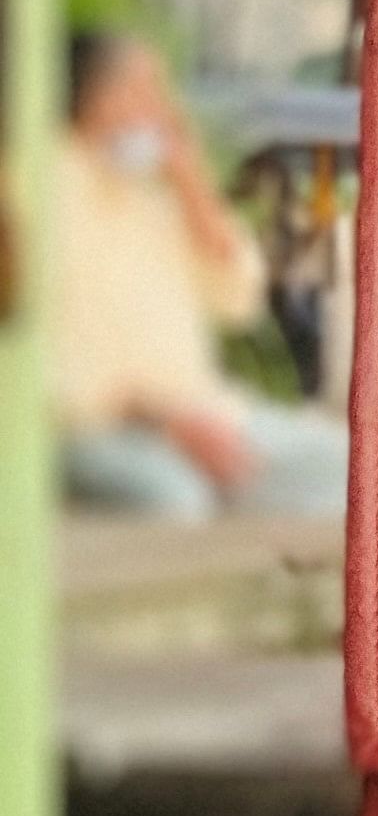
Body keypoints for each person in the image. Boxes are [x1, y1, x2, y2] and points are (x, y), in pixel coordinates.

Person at [53, 31, 348, 519]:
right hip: (99, 425)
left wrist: (192, 185)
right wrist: (168, 423)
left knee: (356, 468)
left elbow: (237, 300)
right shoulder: (50, 188)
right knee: (178, 501)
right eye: (142, 92)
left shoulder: (148, 197)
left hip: (207, 412)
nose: (161, 111)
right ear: (91, 95)